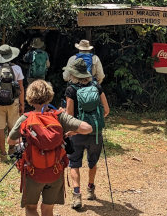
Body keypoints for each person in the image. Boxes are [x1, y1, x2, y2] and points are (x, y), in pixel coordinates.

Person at [8, 80, 92, 216]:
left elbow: (10, 140)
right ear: (49, 96)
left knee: (30, 208)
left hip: (33, 172)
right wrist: (71, 132)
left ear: (30, 98)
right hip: (55, 172)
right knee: (47, 209)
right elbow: (87, 128)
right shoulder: (59, 116)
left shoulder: (25, 118)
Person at [62, 58, 110, 210]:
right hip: (95, 132)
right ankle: (91, 188)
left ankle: (77, 194)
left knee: (74, 163)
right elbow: (106, 110)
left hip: (77, 133)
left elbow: (69, 115)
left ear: (73, 74)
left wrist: (71, 130)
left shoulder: (71, 90)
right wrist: (94, 122)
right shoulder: (97, 86)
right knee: (93, 161)